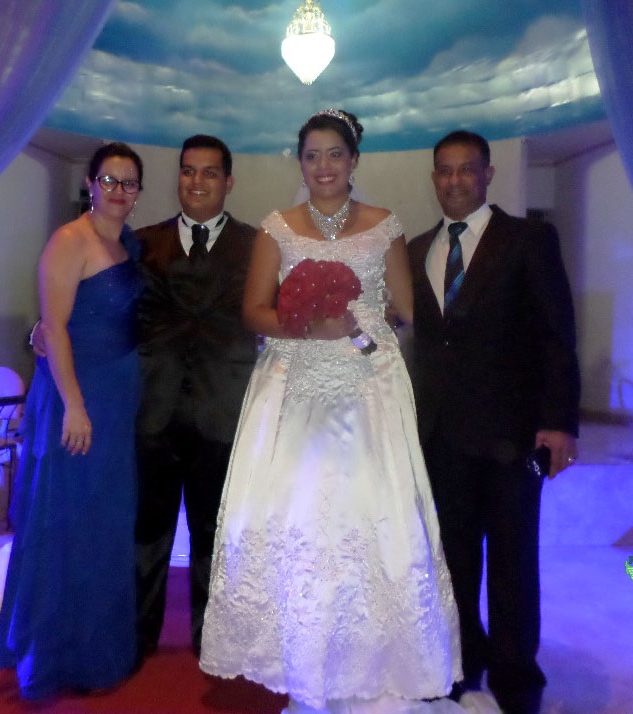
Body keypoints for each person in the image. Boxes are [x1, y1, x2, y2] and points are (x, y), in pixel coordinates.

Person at [199, 109, 464, 714]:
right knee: (301, 519)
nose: (324, 166)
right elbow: (254, 311)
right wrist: (307, 325)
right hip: (293, 383)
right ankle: (303, 657)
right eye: (312, 155)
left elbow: (407, 310)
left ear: (354, 160)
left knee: (369, 516)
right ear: (300, 163)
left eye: (335, 154)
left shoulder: (385, 226)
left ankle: (376, 661)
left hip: (368, 387)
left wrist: (366, 325)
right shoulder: (277, 228)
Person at [406, 130, 580, 714]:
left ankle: (516, 676)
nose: (455, 180)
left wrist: (559, 422)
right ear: (434, 178)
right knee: (451, 562)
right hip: (441, 437)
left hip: (512, 434)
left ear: (487, 174)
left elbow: (557, 335)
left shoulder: (528, 239)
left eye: (466, 169)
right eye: (445, 170)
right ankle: (458, 662)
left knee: (512, 562)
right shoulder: (418, 249)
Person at [0, 142, 145, 699]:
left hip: (117, 398)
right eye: (109, 180)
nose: (118, 191)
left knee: (105, 521)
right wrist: (75, 405)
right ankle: (55, 654)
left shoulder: (127, 244)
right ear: (90, 184)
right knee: (66, 519)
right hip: (77, 396)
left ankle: (97, 650)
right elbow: (53, 328)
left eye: (129, 183)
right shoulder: (69, 240)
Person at [133, 135, 257, 660]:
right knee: (146, 533)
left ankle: (214, 642)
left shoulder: (258, 245)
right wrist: (45, 330)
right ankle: (137, 638)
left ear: (228, 182)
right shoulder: (141, 242)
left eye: (209, 172)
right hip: (153, 411)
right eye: (188, 171)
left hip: (222, 410)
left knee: (216, 535)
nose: (197, 181)